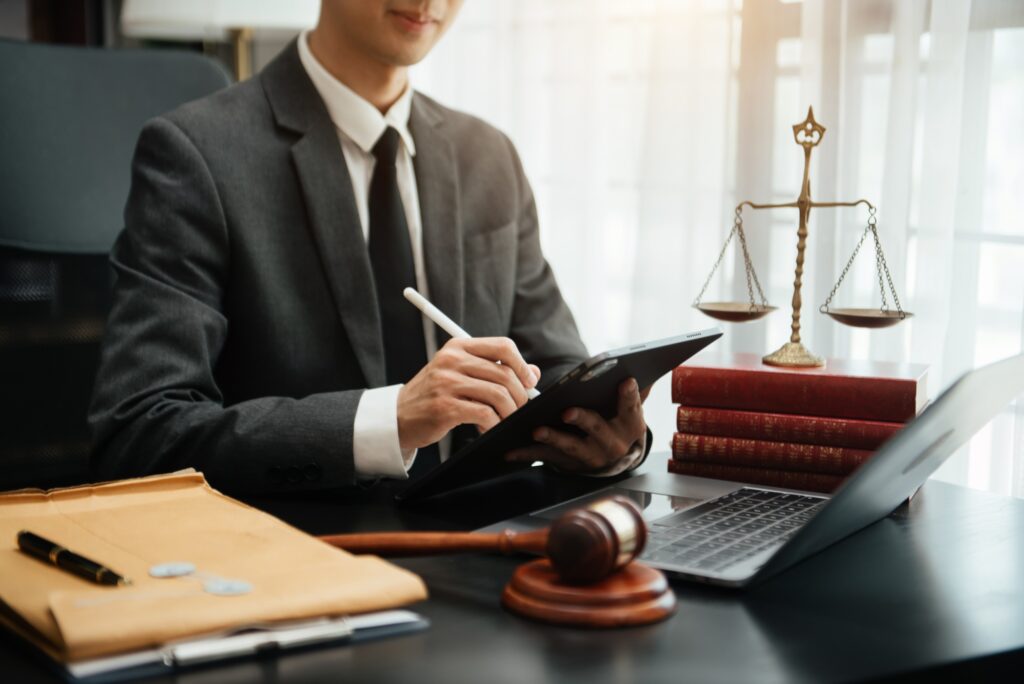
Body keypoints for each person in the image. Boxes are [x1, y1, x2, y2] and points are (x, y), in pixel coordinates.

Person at [88, 0, 651, 496]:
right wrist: (393, 420)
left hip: (491, 537)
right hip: (305, 553)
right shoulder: (197, 154)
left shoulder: (489, 156)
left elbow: (555, 367)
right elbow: (140, 431)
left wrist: (610, 441)